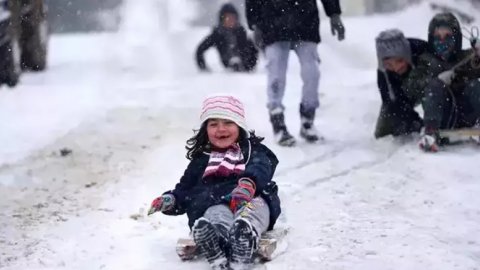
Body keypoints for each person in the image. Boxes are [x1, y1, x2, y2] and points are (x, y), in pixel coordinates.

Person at [148, 94, 281, 270]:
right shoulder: (201, 160)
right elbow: (185, 189)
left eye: (228, 123)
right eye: (213, 124)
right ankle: (215, 243)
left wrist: (248, 184)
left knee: (251, 212)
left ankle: (244, 238)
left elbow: (262, 166)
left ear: (240, 126)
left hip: (250, 198)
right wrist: (170, 200)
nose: (221, 129)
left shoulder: (252, 151)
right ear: (206, 130)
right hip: (216, 202)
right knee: (215, 214)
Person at [245, 0, 346, 146]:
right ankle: (278, 122)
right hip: (272, 23)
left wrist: (334, 13)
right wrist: (254, 23)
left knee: (312, 73)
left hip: (305, 21)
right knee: (276, 74)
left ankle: (307, 120)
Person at [402, 12, 480, 152]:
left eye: (448, 36)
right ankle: (430, 133)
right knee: (434, 86)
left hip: (467, 115)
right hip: (441, 118)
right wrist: (435, 79)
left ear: (456, 38)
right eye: (438, 37)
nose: (442, 41)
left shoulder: (467, 57)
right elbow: (410, 89)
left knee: (476, 83)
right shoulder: (426, 61)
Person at [374, 29, 428, 139]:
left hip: (430, 88)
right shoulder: (383, 74)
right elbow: (393, 104)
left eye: (399, 61)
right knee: (383, 133)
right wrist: (417, 125)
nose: (396, 68)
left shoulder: (424, 51)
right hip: (403, 95)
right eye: (389, 64)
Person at [195, 3, 258, 72]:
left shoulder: (241, 32)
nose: (231, 20)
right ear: (222, 19)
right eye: (228, 18)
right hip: (228, 68)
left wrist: (249, 66)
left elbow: (253, 50)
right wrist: (203, 68)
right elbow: (200, 50)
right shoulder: (217, 34)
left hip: (245, 68)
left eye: (233, 18)